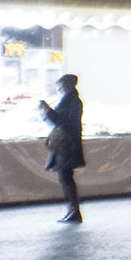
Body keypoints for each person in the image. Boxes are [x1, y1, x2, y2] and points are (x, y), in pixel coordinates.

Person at [40, 73, 84, 223]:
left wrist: (48, 111)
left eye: (61, 86)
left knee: (65, 176)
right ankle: (72, 210)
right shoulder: (71, 101)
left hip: (67, 144)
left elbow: (63, 122)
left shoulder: (73, 103)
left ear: (68, 85)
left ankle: (74, 210)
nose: (59, 89)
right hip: (67, 143)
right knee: (64, 175)